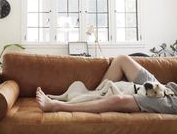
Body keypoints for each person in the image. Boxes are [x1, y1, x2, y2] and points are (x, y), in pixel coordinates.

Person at [36, 55, 177, 114]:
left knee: (119, 100)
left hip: (172, 102)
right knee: (122, 60)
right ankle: (94, 96)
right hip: (168, 87)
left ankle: (57, 106)